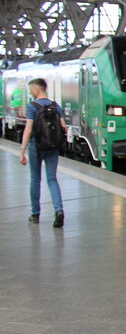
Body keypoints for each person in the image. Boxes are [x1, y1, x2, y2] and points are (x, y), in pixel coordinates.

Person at [19, 78, 68, 227]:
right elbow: (64, 127)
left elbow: (28, 130)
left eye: (30, 89)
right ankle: (59, 210)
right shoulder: (56, 106)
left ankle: (35, 214)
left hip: (36, 147)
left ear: (37, 89)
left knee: (35, 179)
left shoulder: (32, 107)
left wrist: (22, 150)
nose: (29, 92)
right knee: (52, 179)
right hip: (52, 147)